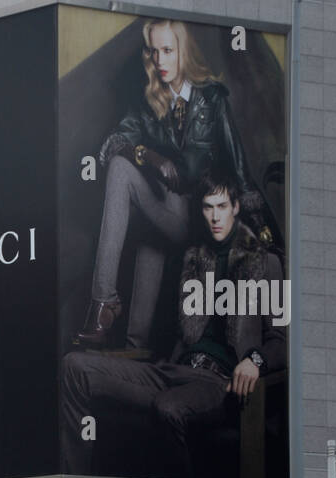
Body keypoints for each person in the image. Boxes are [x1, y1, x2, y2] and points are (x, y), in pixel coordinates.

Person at [62, 168, 286, 478]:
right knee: (75, 367)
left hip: (219, 384)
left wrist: (254, 361)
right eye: (208, 207)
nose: (214, 217)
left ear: (236, 207)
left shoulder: (268, 263)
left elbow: (282, 341)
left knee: (167, 408)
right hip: (172, 371)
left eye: (222, 207)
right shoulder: (192, 259)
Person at [75, 18, 269, 353]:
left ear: (183, 51)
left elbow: (240, 169)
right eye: (153, 52)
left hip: (199, 221)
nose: (160, 61)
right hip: (165, 215)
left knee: (135, 191)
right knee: (122, 170)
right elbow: (115, 143)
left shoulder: (212, 99)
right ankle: (109, 310)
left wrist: (265, 231)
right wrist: (149, 155)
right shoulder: (150, 102)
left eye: (168, 50)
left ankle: (106, 308)